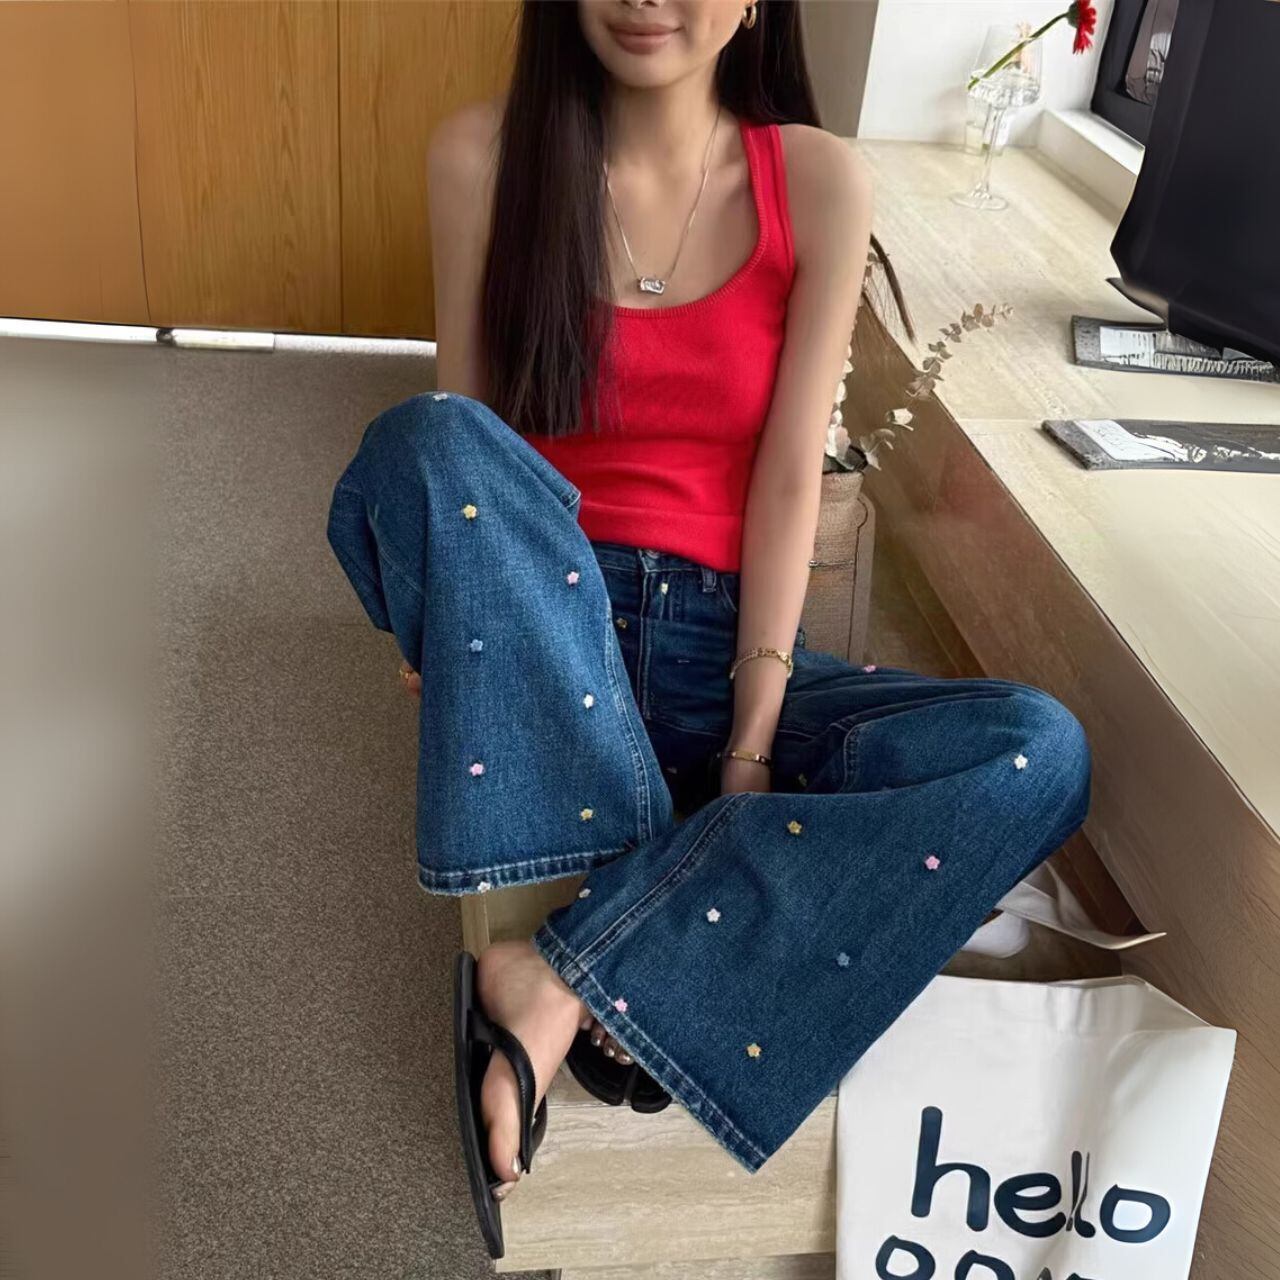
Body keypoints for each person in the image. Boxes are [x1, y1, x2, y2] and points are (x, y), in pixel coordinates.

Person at [326, 0, 1091, 1258]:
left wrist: (749, 740)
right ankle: (666, 925)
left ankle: (564, 965)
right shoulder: (480, 156)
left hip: (714, 639)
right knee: (424, 438)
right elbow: (473, 445)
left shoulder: (817, 179)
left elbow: (788, 479)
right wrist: (458, 607)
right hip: (544, 620)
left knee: (1034, 748)